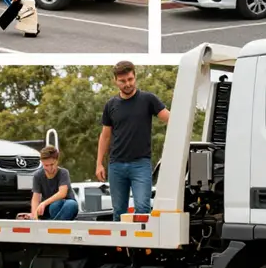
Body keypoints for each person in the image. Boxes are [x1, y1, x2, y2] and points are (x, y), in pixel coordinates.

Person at [96, 61, 170, 221]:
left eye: (130, 79)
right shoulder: (111, 105)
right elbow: (105, 136)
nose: (127, 84)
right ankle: (119, 246)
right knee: (119, 212)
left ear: (135, 76)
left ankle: (142, 246)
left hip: (140, 165)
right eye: (123, 81)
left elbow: (169, 118)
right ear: (115, 81)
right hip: (116, 165)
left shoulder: (148, 99)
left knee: (143, 209)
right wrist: (99, 163)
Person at [29, 145, 79, 221]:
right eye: (46, 165)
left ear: (57, 161)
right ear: (42, 163)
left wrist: (43, 203)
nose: (49, 168)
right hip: (49, 209)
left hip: (67, 206)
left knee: (71, 204)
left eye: (52, 164)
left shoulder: (63, 173)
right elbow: (35, 198)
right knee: (55, 205)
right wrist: (34, 215)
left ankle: (52, 224)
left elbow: (62, 193)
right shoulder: (38, 175)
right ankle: (54, 224)